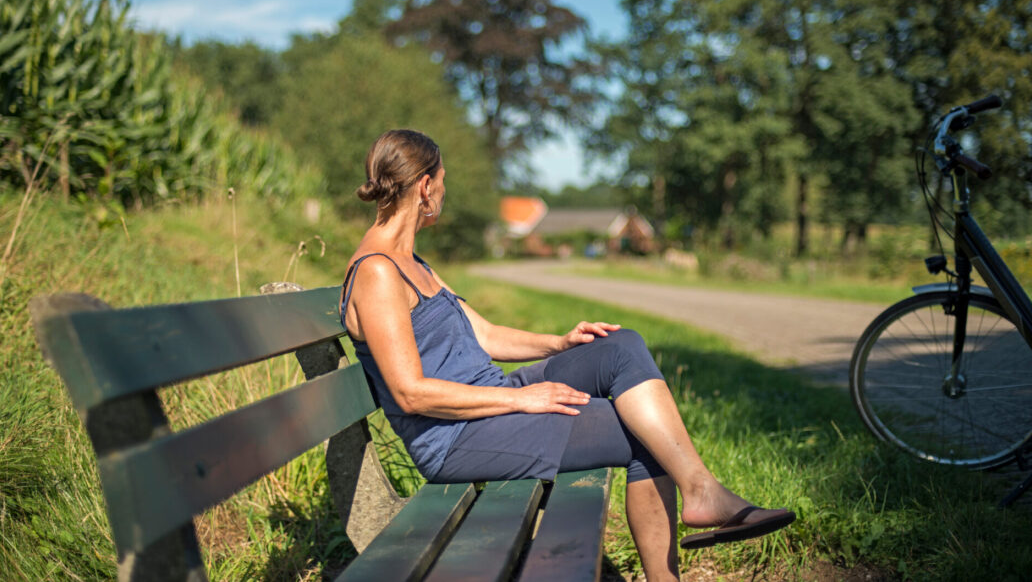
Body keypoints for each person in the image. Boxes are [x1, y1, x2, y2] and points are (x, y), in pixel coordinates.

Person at [339, 130, 795, 582]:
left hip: (488, 401)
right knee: (645, 436)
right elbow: (411, 393)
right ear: (425, 186)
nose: (444, 191)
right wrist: (521, 400)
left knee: (620, 346)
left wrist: (560, 342)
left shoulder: (413, 263)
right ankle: (681, 544)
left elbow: (485, 333)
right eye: (443, 180)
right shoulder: (378, 273)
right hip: (456, 438)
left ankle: (701, 490)